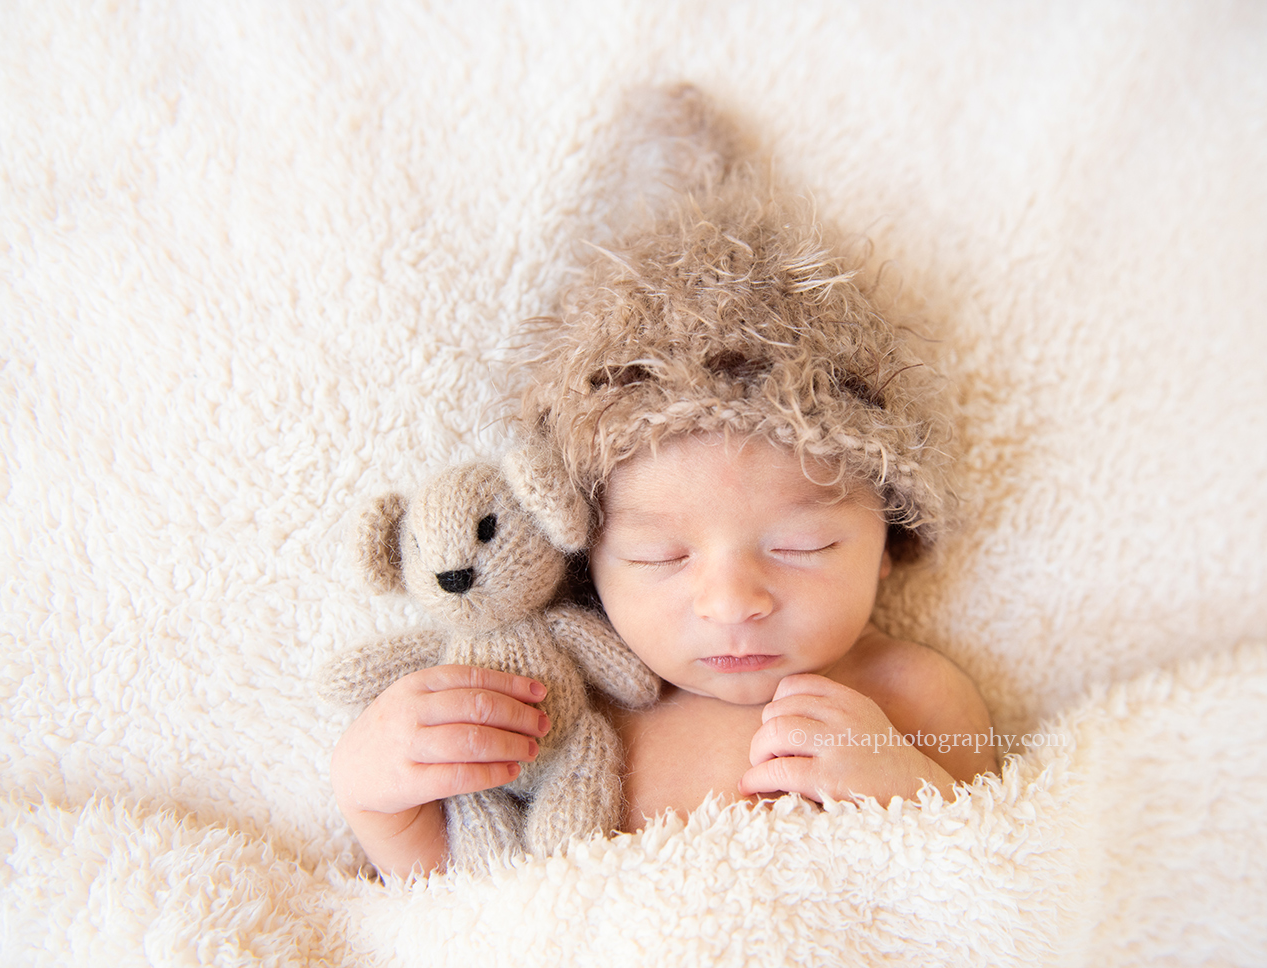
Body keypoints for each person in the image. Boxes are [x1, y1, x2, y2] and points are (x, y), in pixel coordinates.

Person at [330, 175, 996, 877]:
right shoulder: (575, 714)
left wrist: (905, 788)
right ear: (587, 559)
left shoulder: (909, 694)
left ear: (890, 538)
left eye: (803, 545)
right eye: (658, 556)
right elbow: (472, 908)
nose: (732, 601)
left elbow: (992, 883)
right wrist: (377, 798)